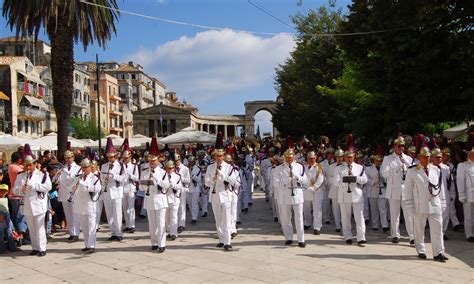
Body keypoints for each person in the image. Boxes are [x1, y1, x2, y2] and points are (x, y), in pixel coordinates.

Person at [405, 147, 449, 262]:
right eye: (424, 157)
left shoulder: (436, 169)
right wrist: (410, 207)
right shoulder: (412, 170)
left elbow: (440, 188)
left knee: (437, 230)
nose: (427, 159)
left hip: (435, 204)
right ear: (419, 158)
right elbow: (408, 191)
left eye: (428, 157)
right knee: (419, 230)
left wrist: (443, 203)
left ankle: (438, 252)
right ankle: (421, 250)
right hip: (420, 206)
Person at [12, 155, 52, 257]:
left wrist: (34, 186)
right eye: (26, 165)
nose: (28, 167)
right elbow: (14, 190)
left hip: (38, 204)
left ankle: (42, 248)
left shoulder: (42, 174)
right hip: (27, 205)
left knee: (39, 227)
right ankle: (35, 247)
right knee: (31, 228)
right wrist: (21, 189)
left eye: (30, 165)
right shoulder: (21, 175)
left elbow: (48, 186)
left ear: (35, 164)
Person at [381, 136, 415, 244]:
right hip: (393, 189)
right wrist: (396, 169)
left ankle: (412, 236)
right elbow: (384, 173)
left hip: (405, 190)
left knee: (409, 214)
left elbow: (414, 173)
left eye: (403, 146)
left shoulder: (408, 159)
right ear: (394, 146)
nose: (401, 148)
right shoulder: (388, 158)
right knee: (394, 214)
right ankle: (395, 234)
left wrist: (406, 165)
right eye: (399, 146)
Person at [139, 138, 170, 253]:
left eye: (154, 161)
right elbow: (141, 188)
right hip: (149, 200)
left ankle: (162, 244)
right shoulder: (144, 172)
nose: (152, 163)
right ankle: (154, 242)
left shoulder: (163, 172)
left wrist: (156, 179)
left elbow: (167, 185)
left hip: (160, 200)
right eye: (150, 161)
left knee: (161, 223)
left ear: (158, 161)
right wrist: (146, 182)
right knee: (152, 224)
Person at [205, 147, 238, 251]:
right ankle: (221, 239)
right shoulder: (210, 167)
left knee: (227, 219)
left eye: (220, 156)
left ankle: (227, 241)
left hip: (226, 195)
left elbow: (234, 182)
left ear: (223, 156)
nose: (218, 158)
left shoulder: (229, 167)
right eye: (216, 156)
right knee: (218, 219)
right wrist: (212, 180)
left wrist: (223, 176)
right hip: (215, 195)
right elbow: (206, 182)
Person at [275, 149, 308, 247]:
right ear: (285, 157)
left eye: (291, 157)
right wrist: (286, 180)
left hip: (297, 193)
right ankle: (289, 237)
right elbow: (276, 183)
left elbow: (305, 181)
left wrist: (297, 177)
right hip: (285, 195)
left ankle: (301, 239)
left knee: (299, 217)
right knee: (286, 218)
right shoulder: (279, 168)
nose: (289, 159)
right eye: (288, 157)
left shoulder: (299, 167)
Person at [335, 149, 368, 245]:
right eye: (347, 157)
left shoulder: (359, 167)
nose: (349, 159)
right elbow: (335, 182)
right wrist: (345, 180)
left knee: (359, 217)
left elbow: (365, 179)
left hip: (356, 194)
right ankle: (348, 236)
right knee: (345, 217)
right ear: (344, 157)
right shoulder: (339, 168)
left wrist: (355, 178)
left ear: (354, 157)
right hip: (344, 194)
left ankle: (361, 237)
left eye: (351, 157)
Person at [72, 159, 101, 253]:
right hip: (80, 205)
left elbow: (97, 189)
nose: (85, 169)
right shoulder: (78, 177)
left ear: (91, 167)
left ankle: (91, 245)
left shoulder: (95, 178)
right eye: (83, 167)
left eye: (87, 167)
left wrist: (85, 185)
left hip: (90, 205)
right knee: (84, 227)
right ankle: (87, 244)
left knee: (91, 226)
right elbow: (71, 188)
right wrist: (73, 187)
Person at [100, 138, 127, 241]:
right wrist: (105, 178)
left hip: (116, 192)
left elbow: (124, 179)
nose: (110, 159)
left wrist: (114, 176)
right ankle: (113, 232)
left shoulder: (121, 166)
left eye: (112, 157)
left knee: (117, 213)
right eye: (109, 157)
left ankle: (119, 233)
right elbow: (101, 178)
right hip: (107, 192)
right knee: (109, 214)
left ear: (115, 157)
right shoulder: (104, 166)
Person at [55, 150, 82, 241]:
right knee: (68, 214)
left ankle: (76, 233)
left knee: (75, 214)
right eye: (66, 158)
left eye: (69, 158)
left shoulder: (78, 168)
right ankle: (71, 233)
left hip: (73, 194)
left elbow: (77, 180)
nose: (67, 159)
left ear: (73, 158)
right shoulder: (63, 168)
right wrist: (58, 174)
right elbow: (55, 180)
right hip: (64, 194)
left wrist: (67, 172)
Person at [365, 154, 389, 232]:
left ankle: (384, 225)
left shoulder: (384, 168)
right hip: (373, 190)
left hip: (382, 189)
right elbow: (366, 180)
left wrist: (384, 179)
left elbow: (388, 178)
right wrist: (374, 181)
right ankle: (375, 225)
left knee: (383, 208)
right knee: (374, 209)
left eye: (380, 161)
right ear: (373, 161)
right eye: (377, 160)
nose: (378, 162)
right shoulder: (368, 169)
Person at [303, 151, 325, 235]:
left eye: (312, 158)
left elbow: (321, 179)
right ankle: (307, 223)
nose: (311, 160)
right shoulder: (304, 167)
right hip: (305, 190)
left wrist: (313, 187)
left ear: (315, 158)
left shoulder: (319, 167)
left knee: (317, 210)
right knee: (306, 209)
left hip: (316, 191)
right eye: (309, 158)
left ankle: (317, 227)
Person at [456, 147, 474, 242]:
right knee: (468, 216)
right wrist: (461, 194)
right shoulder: (462, 166)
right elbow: (460, 181)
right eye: (472, 154)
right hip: (468, 195)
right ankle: (469, 234)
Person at [121, 144, 139, 234]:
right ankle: (127, 225)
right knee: (125, 208)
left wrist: (130, 175)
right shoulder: (121, 166)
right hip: (123, 188)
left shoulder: (134, 166)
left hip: (131, 188)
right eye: (124, 158)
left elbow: (137, 178)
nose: (125, 159)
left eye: (127, 158)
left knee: (131, 208)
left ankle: (132, 225)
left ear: (130, 157)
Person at [7, 151, 26, 235]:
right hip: (17, 195)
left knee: (17, 216)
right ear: (19, 159)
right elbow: (24, 172)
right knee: (20, 216)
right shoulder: (15, 167)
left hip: (15, 195)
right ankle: (20, 235)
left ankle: (18, 234)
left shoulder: (12, 166)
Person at [164, 160, 183, 240]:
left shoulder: (177, 176)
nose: (169, 170)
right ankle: (169, 231)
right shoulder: (163, 176)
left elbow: (180, 187)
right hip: (165, 198)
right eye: (168, 168)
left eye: (171, 168)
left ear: (174, 168)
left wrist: (172, 184)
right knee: (167, 217)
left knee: (174, 216)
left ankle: (174, 233)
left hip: (174, 198)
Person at [327, 149, 345, 232]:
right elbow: (328, 178)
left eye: (341, 157)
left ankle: (344, 224)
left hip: (344, 190)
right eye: (338, 157)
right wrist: (335, 181)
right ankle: (337, 225)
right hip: (334, 189)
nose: (339, 159)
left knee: (344, 209)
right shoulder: (331, 167)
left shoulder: (346, 166)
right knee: (335, 209)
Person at [176, 153, 191, 234]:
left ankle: (181, 224)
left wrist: (180, 177)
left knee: (182, 206)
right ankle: (175, 223)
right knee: (175, 207)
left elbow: (188, 180)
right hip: (174, 189)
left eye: (177, 161)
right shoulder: (173, 168)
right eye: (175, 161)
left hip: (182, 188)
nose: (176, 162)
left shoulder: (185, 169)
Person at [187, 156, 202, 224]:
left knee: (194, 203)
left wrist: (193, 176)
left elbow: (199, 180)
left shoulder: (198, 169)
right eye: (190, 162)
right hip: (188, 188)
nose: (191, 163)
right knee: (190, 203)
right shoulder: (186, 168)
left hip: (195, 188)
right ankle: (193, 214)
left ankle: (194, 218)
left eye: (192, 162)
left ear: (194, 162)